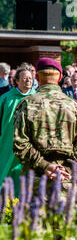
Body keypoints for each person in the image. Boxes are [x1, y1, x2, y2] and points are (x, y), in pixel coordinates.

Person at [13, 58, 77, 195]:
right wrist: (67, 168)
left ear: (37, 78)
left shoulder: (27, 104)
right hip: (66, 180)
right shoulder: (74, 106)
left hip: (35, 181)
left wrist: (45, 166)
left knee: (33, 217)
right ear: (60, 78)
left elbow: (20, 143)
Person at [0, 64, 36, 195]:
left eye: (30, 78)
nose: (28, 81)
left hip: (30, 147)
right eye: (25, 78)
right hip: (7, 145)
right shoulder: (6, 98)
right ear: (16, 80)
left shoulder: (36, 98)